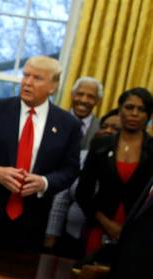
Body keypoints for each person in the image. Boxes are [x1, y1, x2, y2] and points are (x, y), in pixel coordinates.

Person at [0, 55, 82, 252]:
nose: (27, 82)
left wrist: (44, 182)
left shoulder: (68, 124)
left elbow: (70, 169)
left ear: (53, 87)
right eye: (25, 75)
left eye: (37, 78)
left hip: (31, 223)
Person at [76, 88, 153, 254]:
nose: (134, 113)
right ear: (119, 110)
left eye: (141, 109)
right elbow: (83, 192)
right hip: (99, 227)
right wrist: (107, 224)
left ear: (148, 115)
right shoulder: (101, 144)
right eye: (129, 107)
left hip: (138, 233)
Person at [44, 109, 120, 258]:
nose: (107, 131)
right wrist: (51, 234)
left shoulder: (128, 165)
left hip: (107, 237)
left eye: (115, 128)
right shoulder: (82, 156)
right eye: (104, 126)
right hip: (70, 236)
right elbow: (61, 199)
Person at [70, 76, 104, 150]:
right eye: (80, 94)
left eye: (90, 97)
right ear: (72, 95)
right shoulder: (56, 120)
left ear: (98, 101)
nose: (84, 100)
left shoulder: (102, 128)